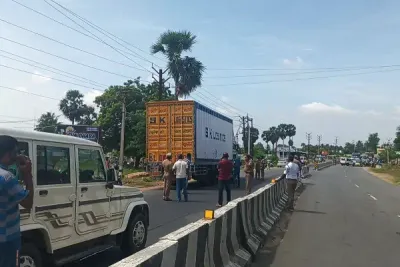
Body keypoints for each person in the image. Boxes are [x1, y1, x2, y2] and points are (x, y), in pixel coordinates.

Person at [0, 136, 34, 267]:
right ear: (9, 154)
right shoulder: (7, 178)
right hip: (7, 240)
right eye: (16, 152)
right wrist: (27, 174)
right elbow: (28, 203)